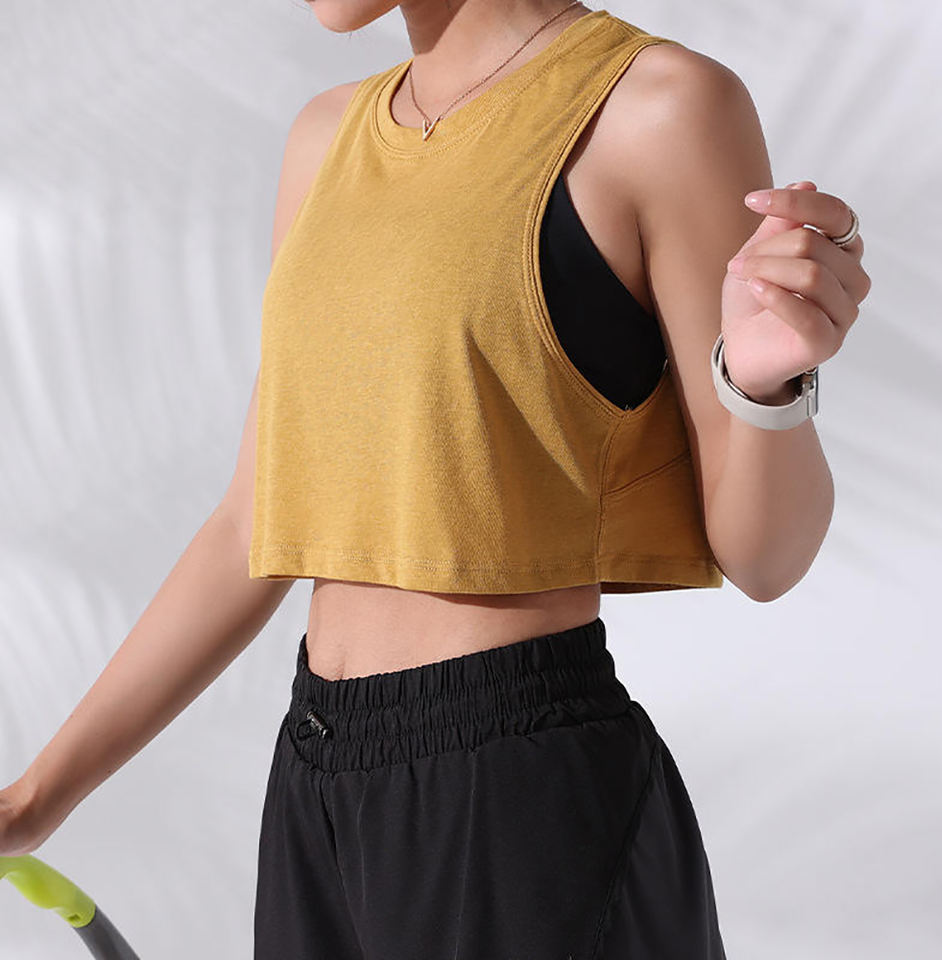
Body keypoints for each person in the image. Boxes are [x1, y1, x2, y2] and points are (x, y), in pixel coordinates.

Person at [0, 1, 871, 957]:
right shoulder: (326, 137)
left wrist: (765, 387)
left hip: (515, 793)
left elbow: (765, 558)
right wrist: (33, 801)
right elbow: (253, 521)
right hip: (315, 773)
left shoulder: (656, 107)